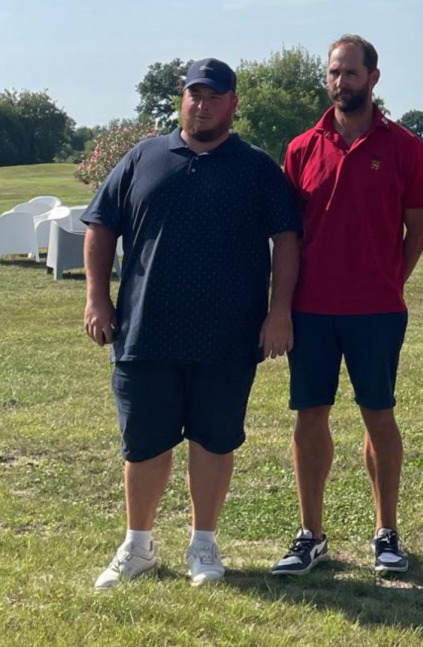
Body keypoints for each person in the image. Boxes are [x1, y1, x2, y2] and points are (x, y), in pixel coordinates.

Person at [83, 58, 301, 589]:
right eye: (192, 95)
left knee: (213, 440)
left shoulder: (255, 167)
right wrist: (96, 299)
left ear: (232, 104)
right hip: (145, 330)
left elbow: (287, 240)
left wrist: (279, 311)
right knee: (145, 443)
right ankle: (137, 546)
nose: (200, 105)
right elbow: (100, 225)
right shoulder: (143, 157)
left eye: (212, 96)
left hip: (227, 334)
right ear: (181, 99)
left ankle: (203, 545)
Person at [271, 35, 423, 577]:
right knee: (309, 415)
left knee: (378, 414)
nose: (342, 82)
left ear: (374, 77)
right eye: (334, 73)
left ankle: (386, 531)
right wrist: (284, 305)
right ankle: (310, 534)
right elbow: (288, 236)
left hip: (377, 311)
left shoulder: (405, 146)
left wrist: (390, 280)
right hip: (312, 310)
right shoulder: (301, 147)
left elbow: (418, 230)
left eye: (352, 73)